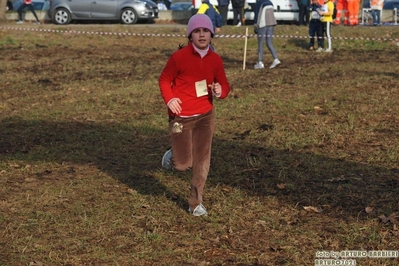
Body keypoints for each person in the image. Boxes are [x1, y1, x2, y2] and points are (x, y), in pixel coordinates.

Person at [159, 14, 230, 217]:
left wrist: (220, 91)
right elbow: (164, 80)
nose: (201, 35)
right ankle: (172, 155)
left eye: (205, 31)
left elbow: (224, 85)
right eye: (197, 31)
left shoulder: (215, 60)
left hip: (205, 117)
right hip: (179, 118)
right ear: (190, 35)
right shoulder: (178, 58)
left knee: (202, 160)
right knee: (183, 164)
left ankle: (195, 203)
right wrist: (170, 99)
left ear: (211, 34)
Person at [253, 0, 281, 69]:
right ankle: (276, 59)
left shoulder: (259, 2)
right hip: (271, 24)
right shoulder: (270, 2)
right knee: (269, 43)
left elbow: (257, 14)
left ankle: (260, 62)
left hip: (263, 24)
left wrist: (255, 26)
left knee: (260, 43)